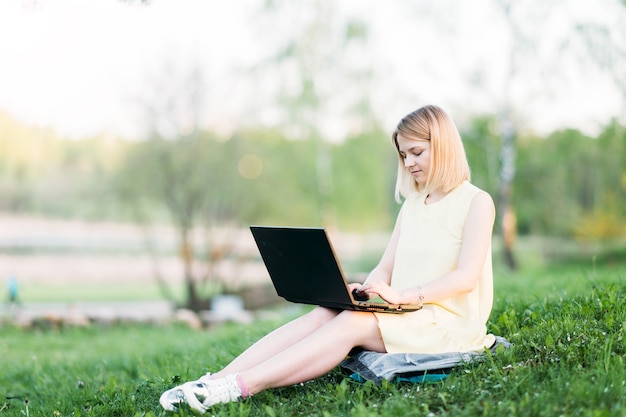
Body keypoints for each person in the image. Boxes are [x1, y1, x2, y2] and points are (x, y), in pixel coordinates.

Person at [159, 104, 497, 413]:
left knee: (352, 323)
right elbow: (386, 266)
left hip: (447, 325)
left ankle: (240, 388)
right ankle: (214, 380)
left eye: (416, 152)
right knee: (330, 311)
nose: (408, 163)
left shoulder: (476, 202)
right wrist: (366, 292)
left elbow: (466, 277)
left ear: (444, 146)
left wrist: (404, 296)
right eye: (403, 155)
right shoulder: (412, 205)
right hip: (406, 314)